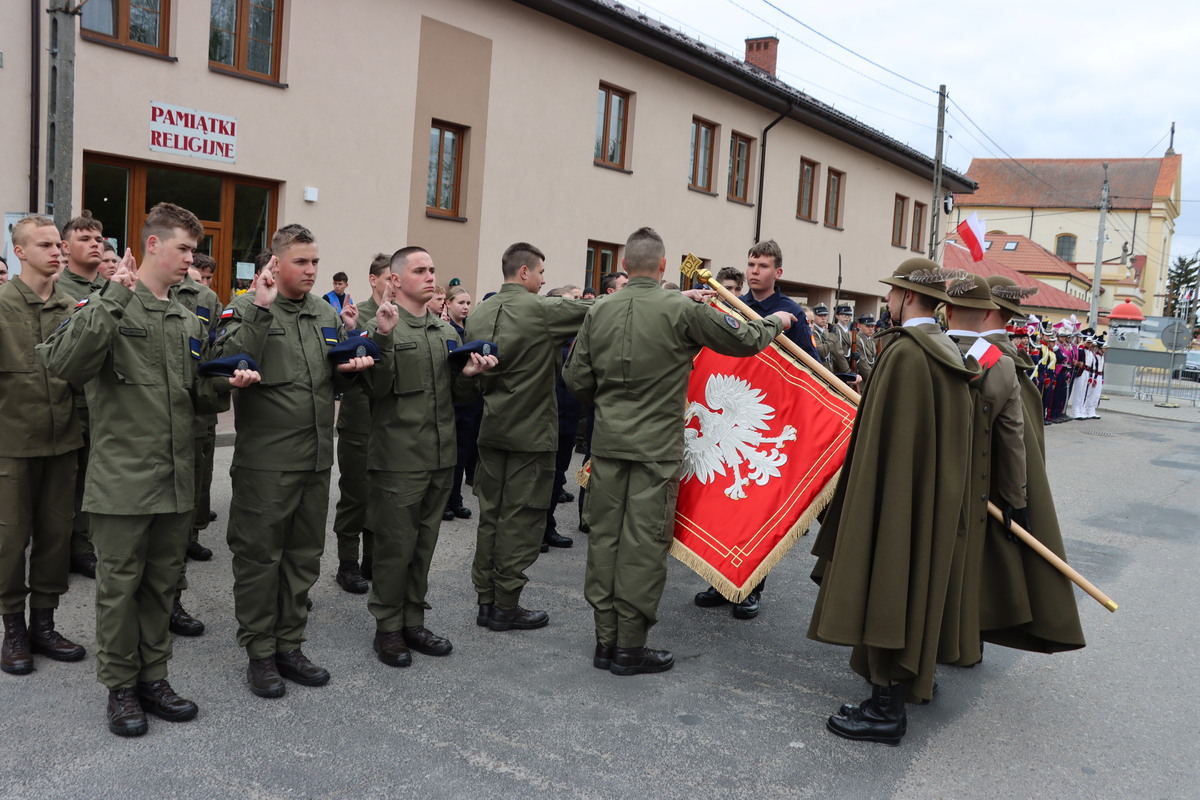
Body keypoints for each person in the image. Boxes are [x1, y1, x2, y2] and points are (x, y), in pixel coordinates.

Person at [40, 202, 259, 737]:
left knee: (162, 585)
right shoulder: (107, 304)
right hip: (122, 482)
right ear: (153, 246)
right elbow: (63, 365)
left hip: (176, 479)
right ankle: (120, 688)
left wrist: (224, 386)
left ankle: (153, 676)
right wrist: (116, 293)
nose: (191, 258)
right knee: (120, 588)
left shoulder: (188, 319)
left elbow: (197, 398)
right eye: (183, 248)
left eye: (193, 249)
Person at [563, 227, 794, 675]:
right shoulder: (680, 308)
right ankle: (629, 647)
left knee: (606, 541)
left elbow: (576, 379)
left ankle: (604, 641)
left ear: (625, 267)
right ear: (664, 266)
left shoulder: (600, 310)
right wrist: (777, 321)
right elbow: (745, 340)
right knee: (643, 546)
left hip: (609, 445)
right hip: (655, 450)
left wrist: (610, 404)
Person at [807, 257, 979, 746]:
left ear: (907, 297)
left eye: (891, 294)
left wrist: (868, 496)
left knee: (886, 584)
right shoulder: (944, 347)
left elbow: (883, 442)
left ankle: (885, 711)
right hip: (927, 495)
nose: (886, 302)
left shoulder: (905, 353)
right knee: (913, 585)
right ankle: (903, 685)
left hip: (896, 496)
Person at [214, 224, 375, 699]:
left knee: (303, 557)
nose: (310, 270)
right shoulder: (246, 306)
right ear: (275, 265)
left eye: (315, 262)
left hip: (316, 459)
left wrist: (349, 368)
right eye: (301, 262)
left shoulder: (324, 311)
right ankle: (260, 652)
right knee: (260, 558)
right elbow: (225, 364)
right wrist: (261, 310)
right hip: (267, 462)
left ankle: (290, 643)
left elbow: (329, 379)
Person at [362, 247, 497, 667]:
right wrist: (383, 338)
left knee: (424, 544)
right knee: (394, 547)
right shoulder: (381, 326)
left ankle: (413, 620)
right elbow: (374, 390)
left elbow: (457, 396)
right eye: (419, 270)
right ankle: (388, 628)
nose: (429, 276)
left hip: (440, 457)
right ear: (396, 280)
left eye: (432, 269)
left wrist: (470, 377)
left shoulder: (444, 333)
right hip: (399, 458)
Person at [464, 242, 591, 632]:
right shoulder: (542, 309)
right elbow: (605, 310)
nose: (544, 279)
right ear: (523, 273)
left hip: (492, 427)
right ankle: (506, 604)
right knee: (521, 520)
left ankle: (487, 600)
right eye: (540, 273)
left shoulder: (479, 311)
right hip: (530, 434)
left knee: (492, 517)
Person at [693, 239, 818, 619]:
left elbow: (809, 371)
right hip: (724, 416)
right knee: (721, 507)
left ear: (777, 272)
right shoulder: (730, 303)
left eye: (762, 266)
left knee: (756, 511)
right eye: (750, 264)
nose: (753, 272)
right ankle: (719, 580)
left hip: (764, 424)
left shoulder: (790, 313)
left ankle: (750, 587)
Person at [977, 274, 1085, 656]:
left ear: (988, 310)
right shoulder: (1010, 354)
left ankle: (969, 639)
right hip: (1008, 478)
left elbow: (1006, 434)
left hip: (992, 477)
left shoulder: (989, 355)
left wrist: (1014, 496)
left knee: (984, 563)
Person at [1, 216, 86, 677]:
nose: (57, 252)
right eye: (46, 245)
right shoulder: (0, 306)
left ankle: (43, 623)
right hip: (11, 446)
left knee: (56, 538)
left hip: (62, 444)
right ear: (19, 251)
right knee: (9, 540)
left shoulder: (73, 308)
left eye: (59, 245)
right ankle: (12, 628)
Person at [942, 273, 1026, 670]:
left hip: (928, 478)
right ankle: (961, 647)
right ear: (986, 312)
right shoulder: (1002, 365)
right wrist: (1015, 499)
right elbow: (1013, 440)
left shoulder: (925, 349)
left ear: (946, 307)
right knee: (965, 567)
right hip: (975, 487)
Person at [166, 252, 225, 639]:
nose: (190, 261)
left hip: (192, 421)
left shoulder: (200, 305)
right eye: (183, 250)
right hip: (137, 438)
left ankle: (171, 603)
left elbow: (214, 354)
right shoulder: (118, 299)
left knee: (179, 517)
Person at [331, 253, 391, 594]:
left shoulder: (404, 317)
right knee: (355, 493)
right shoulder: (356, 315)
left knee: (381, 495)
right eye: (388, 279)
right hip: (359, 420)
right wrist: (352, 331)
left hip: (390, 423)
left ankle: (371, 559)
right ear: (373, 280)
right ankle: (347, 563)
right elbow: (341, 361)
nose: (393, 286)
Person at [53, 214, 108, 580]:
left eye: (99, 238)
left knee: (93, 477)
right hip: (69, 400)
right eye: (85, 238)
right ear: (65, 247)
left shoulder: (111, 287)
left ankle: (85, 544)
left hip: (103, 402)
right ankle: (66, 548)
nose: (95, 243)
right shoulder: (58, 289)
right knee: (65, 481)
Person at [443, 284, 482, 522]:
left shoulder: (470, 330)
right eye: (461, 303)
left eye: (468, 303)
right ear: (448, 304)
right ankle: (446, 501)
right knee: (451, 454)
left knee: (464, 451)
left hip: (471, 400)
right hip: (453, 400)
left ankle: (456, 499)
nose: (466, 307)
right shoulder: (446, 331)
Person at [855, 314, 879, 387]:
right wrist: (875, 379)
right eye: (867, 326)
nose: (871, 329)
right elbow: (862, 363)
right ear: (859, 326)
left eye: (872, 326)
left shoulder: (871, 340)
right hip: (862, 381)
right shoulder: (857, 340)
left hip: (870, 379)